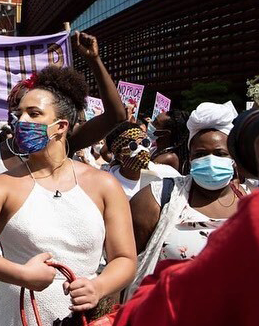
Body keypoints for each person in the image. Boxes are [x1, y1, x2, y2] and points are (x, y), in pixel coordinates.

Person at [0, 65, 137, 326]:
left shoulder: (103, 185)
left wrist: (99, 286)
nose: (21, 121)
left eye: (33, 114)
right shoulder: (1, 186)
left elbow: (124, 258)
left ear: (60, 126)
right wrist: (22, 274)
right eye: (19, 114)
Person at [126, 101, 246, 298]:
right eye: (200, 154)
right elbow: (123, 262)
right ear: (189, 158)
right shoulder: (157, 197)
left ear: (233, 158)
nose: (210, 160)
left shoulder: (251, 203)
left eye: (220, 153)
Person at [0, 31, 127, 182]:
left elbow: (116, 116)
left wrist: (94, 60)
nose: (23, 118)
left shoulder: (66, 142)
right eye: (18, 108)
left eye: (34, 112)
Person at [105, 122, 180, 199]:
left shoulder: (166, 175)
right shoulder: (107, 186)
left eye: (145, 143)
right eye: (133, 146)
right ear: (118, 156)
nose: (142, 149)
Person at [148, 109, 190, 174]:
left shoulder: (169, 158)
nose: (150, 124)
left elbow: (138, 173)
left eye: (156, 123)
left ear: (165, 133)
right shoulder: (155, 149)